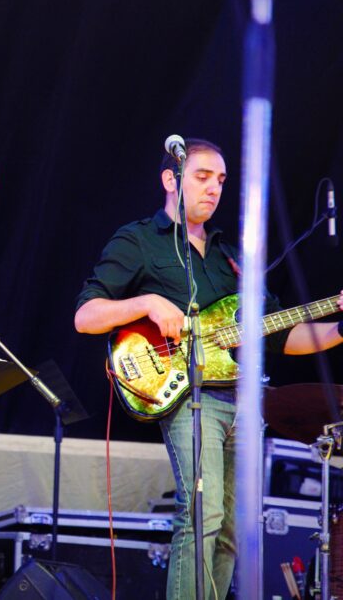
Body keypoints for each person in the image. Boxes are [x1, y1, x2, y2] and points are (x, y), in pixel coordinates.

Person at [73, 138, 343, 599]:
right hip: (189, 398)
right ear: (170, 179)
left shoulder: (231, 258)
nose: (214, 188)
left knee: (234, 530)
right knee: (202, 516)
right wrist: (149, 302)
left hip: (242, 401)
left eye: (220, 180)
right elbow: (86, 317)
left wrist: (339, 327)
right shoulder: (138, 240)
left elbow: (279, 337)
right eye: (202, 177)